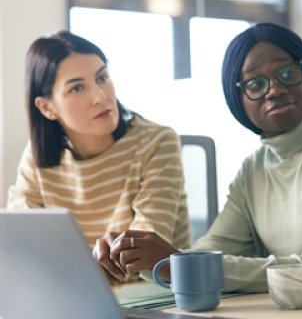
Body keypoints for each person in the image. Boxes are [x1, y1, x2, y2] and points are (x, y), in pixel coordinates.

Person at [96, 23, 302, 296]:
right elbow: (213, 251)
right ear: (237, 99)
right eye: (255, 83)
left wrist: (179, 262)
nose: (273, 89)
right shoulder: (252, 170)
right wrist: (142, 257)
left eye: (286, 73)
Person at [7, 30, 190, 282]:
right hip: (73, 297)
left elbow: (143, 257)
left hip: (149, 299)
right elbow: (23, 247)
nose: (101, 97)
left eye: (102, 77)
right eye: (77, 88)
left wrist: (64, 267)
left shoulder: (156, 142)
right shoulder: (37, 157)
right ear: (47, 107)